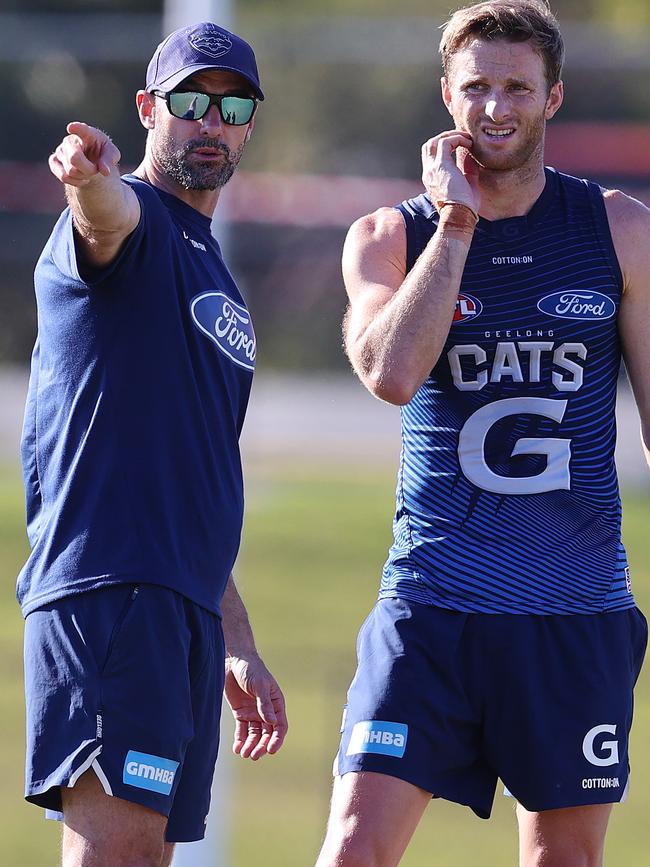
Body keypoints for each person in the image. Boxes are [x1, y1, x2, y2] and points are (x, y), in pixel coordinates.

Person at [316, 2, 649, 865]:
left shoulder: (618, 231)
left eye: (516, 87)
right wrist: (456, 224)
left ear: (554, 98)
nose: (494, 108)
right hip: (431, 608)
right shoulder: (389, 236)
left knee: (562, 860)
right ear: (446, 96)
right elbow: (390, 375)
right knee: (354, 845)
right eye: (476, 88)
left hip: (571, 613)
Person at [17, 21, 287, 867]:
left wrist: (235, 640)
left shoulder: (212, 266)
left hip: (179, 607)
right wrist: (87, 182)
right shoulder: (132, 227)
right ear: (148, 108)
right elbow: (108, 218)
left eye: (231, 104)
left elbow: (189, 484)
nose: (211, 120)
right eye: (191, 102)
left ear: (249, 122)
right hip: (109, 594)